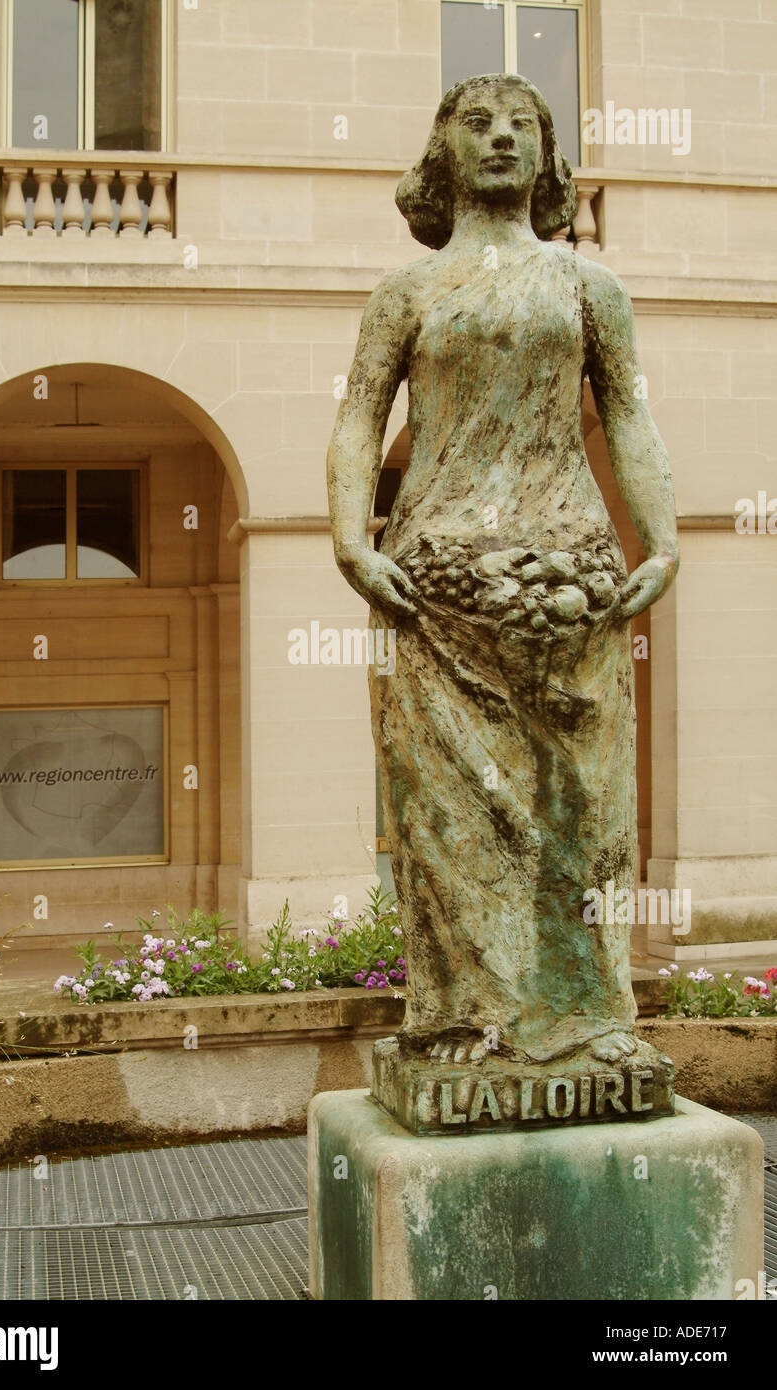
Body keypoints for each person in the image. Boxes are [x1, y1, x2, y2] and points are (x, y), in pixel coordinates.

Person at [327, 74, 679, 1067]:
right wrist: (353, 538)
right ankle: (468, 1017)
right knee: (451, 813)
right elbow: (359, 416)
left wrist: (663, 539)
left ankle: (590, 1015)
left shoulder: (586, 287)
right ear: (441, 151)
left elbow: (630, 417)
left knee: (586, 803)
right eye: (477, 124)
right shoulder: (409, 292)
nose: (500, 139)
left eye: (521, 126)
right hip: (436, 586)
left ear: (546, 155)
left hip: (573, 576)